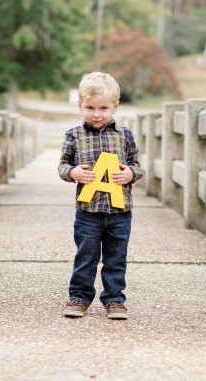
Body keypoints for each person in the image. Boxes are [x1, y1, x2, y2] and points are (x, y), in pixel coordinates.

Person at [58, 72, 143, 320]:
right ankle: (79, 297)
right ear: (80, 106)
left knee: (116, 257)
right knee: (86, 256)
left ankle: (115, 299)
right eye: (90, 107)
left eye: (104, 108)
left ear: (115, 107)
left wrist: (131, 174)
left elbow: (137, 165)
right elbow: (63, 166)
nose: (97, 114)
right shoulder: (74, 135)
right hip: (88, 211)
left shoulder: (125, 136)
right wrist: (73, 172)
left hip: (120, 211)